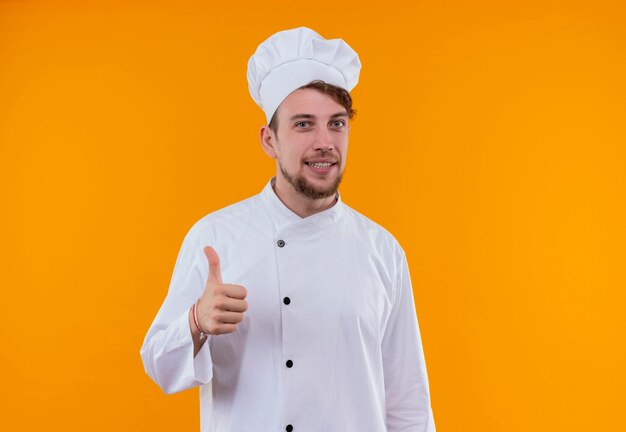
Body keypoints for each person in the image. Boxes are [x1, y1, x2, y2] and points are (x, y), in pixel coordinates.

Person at [141, 27, 436, 432]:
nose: (324, 142)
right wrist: (195, 322)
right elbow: (159, 364)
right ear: (269, 140)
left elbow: (408, 404)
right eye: (303, 125)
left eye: (337, 123)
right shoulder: (216, 238)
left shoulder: (383, 251)